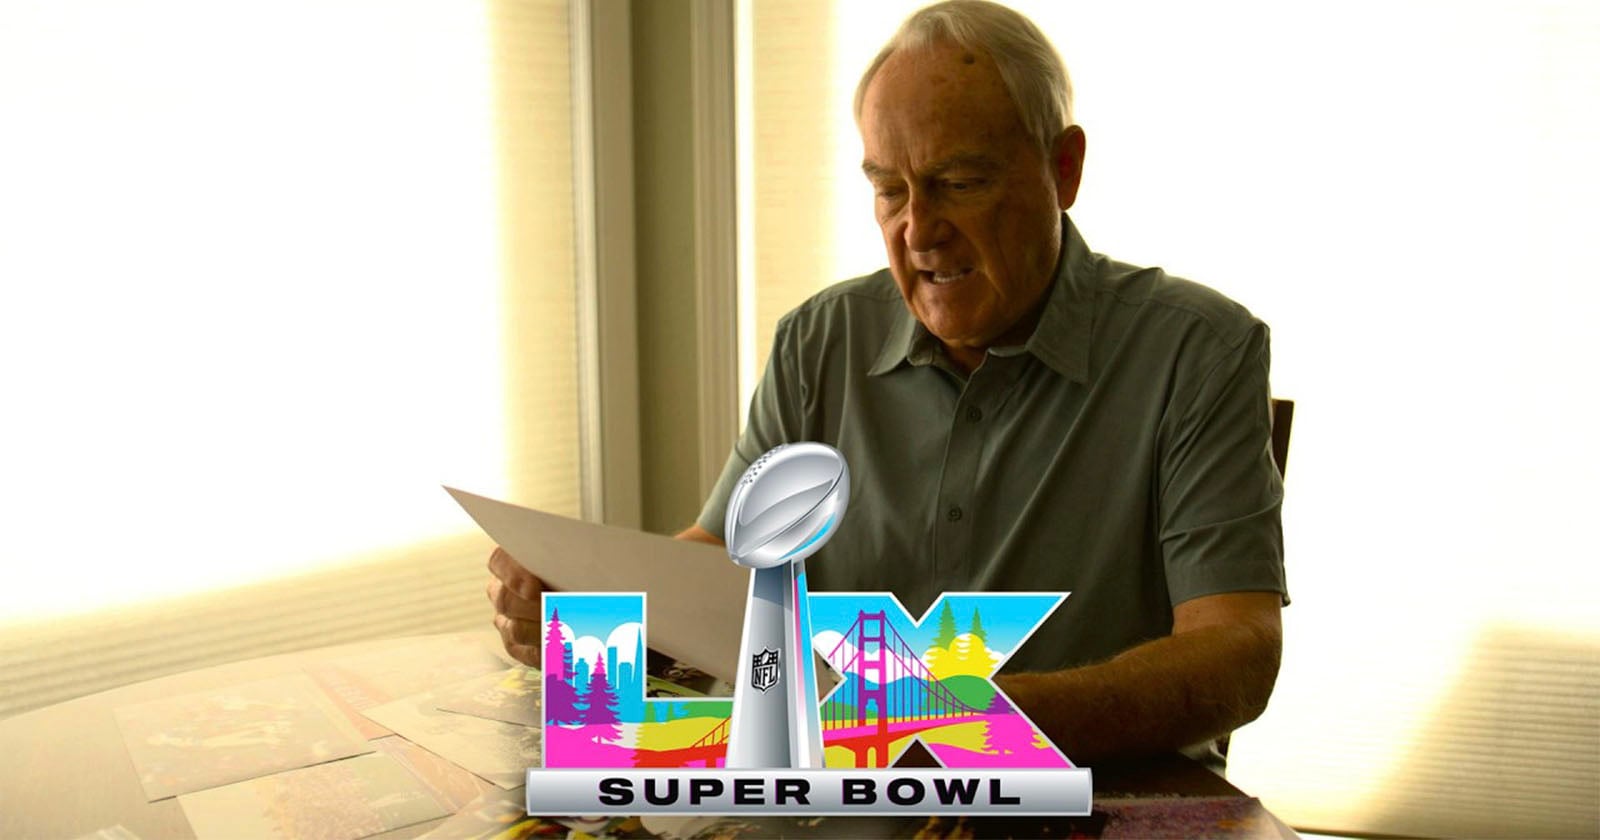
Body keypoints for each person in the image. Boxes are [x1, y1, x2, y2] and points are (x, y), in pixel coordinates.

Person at [488, 0, 1286, 765]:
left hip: (1095, 795)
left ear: (1063, 168)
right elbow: (721, 575)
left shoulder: (1198, 351)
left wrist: (963, 722)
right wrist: (586, 609)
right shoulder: (820, 340)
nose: (919, 229)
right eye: (889, 189)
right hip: (848, 800)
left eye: (960, 182)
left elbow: (1236, 652)